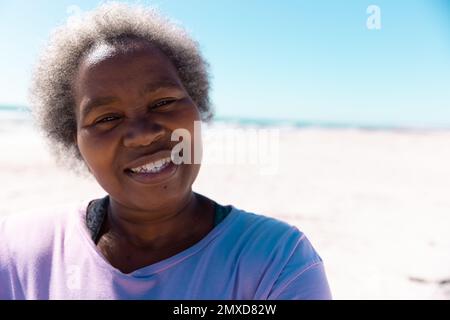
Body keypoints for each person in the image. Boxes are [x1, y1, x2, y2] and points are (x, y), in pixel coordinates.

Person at [0, 3, 331, 300]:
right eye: (107, 118)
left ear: (197, 106)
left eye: (163, 102)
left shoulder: (277, 261)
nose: (144, 135)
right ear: (74, 142)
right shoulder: (19, 252)